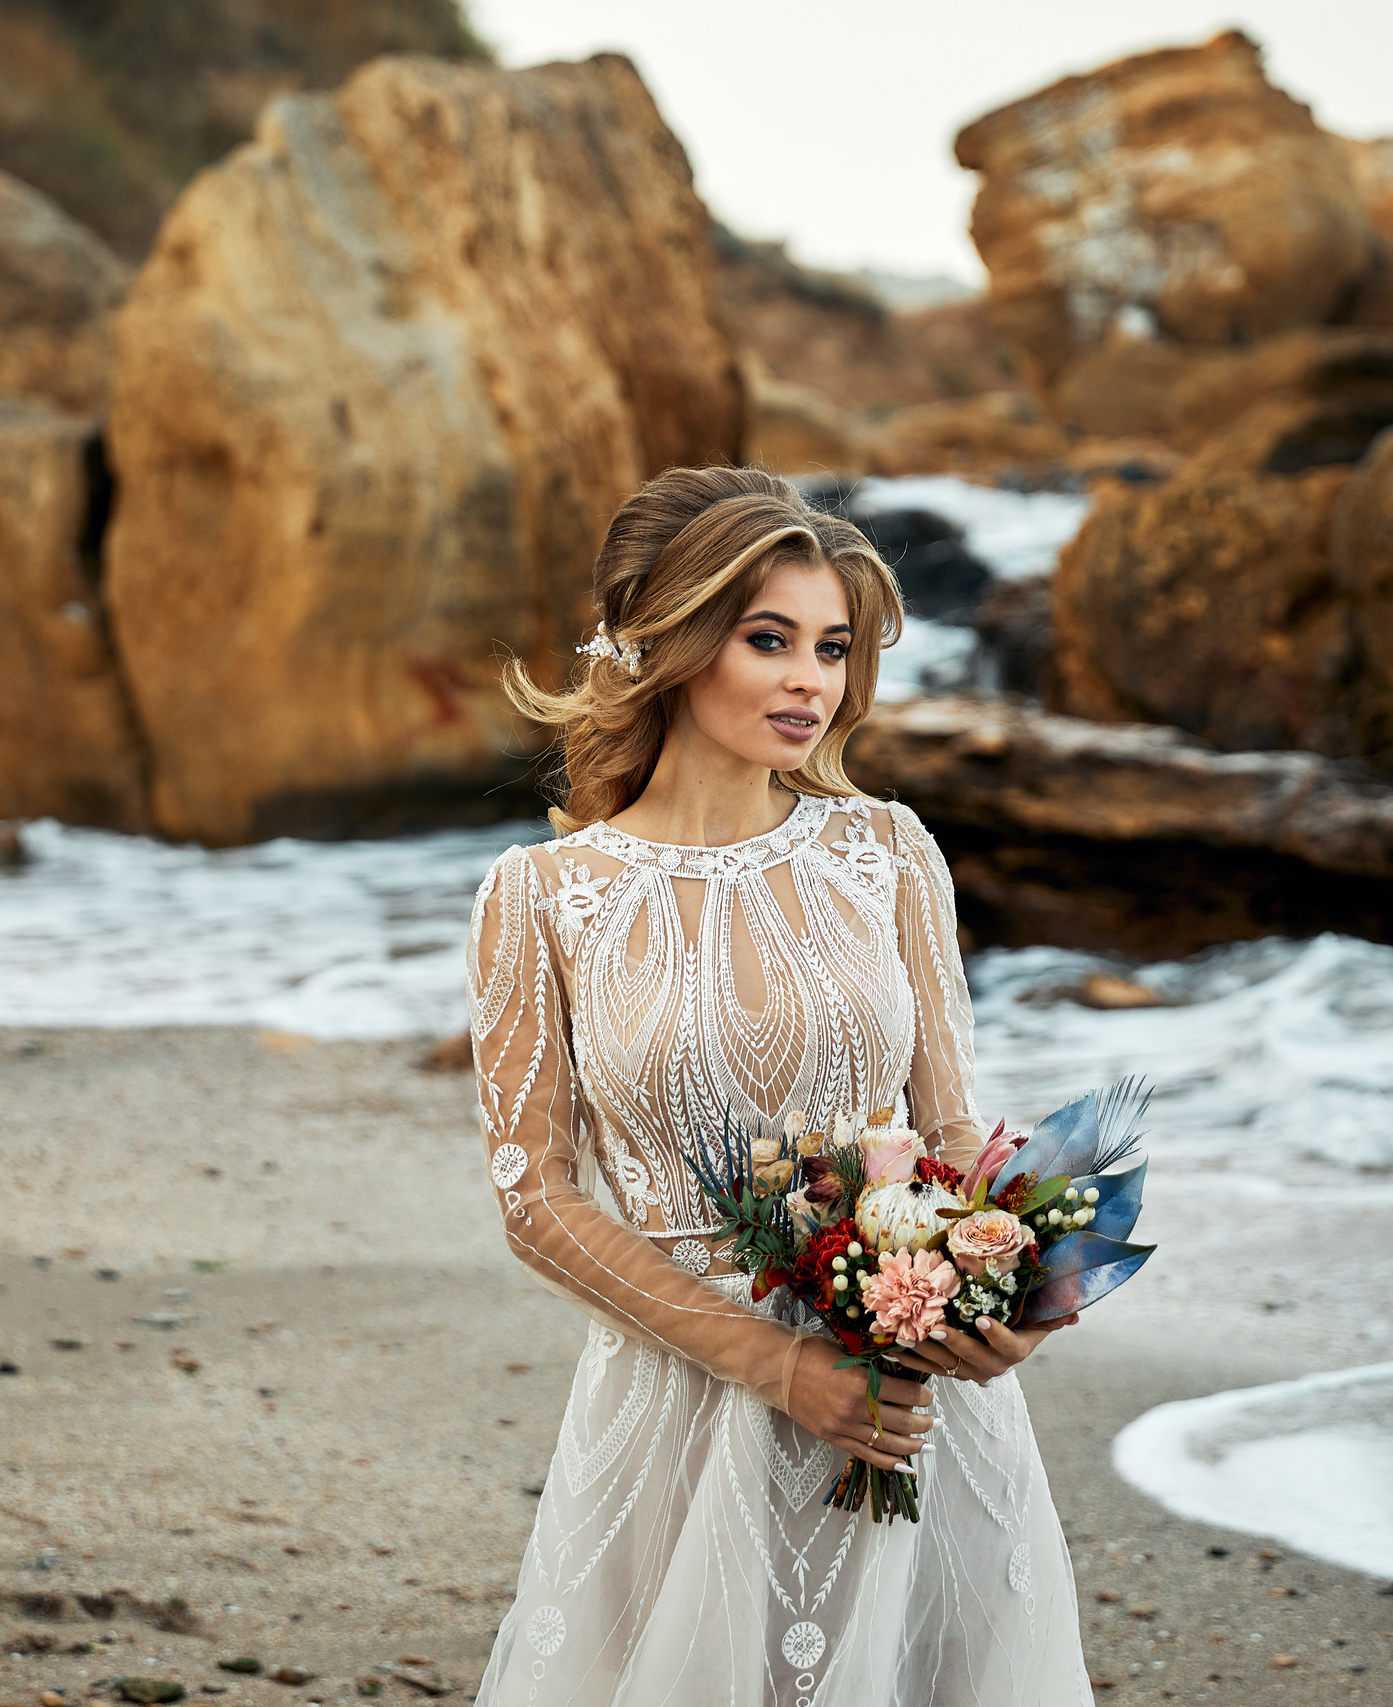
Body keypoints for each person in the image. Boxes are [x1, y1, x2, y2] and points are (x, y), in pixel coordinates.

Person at [465, 467, 1092, 1704]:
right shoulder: (539, 898)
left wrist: (1023, 1286)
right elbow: (533, 1196)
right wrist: (772, 1363)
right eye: (770, 641)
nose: (814, 681)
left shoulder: (890, 852)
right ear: (671, 642)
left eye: (833, 647)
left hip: (907, 1397)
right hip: (685, 1406)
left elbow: (955, 1127)